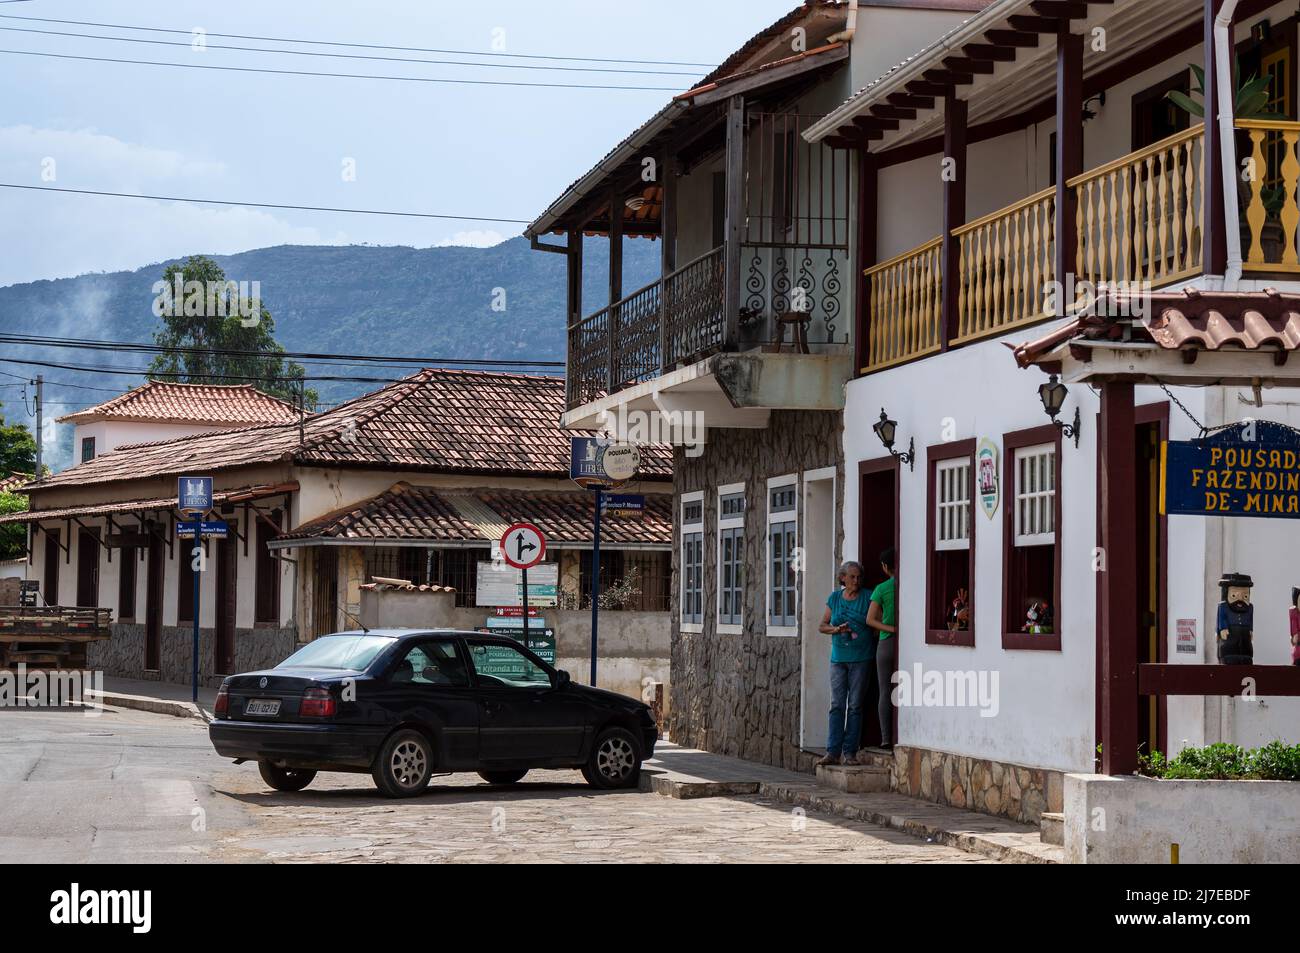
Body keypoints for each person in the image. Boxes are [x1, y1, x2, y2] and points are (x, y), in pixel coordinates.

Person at [815, 560, 874, 766]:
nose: (855, 581)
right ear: (842, 578)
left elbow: (876, 622)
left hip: (861, 659)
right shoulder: (834, 598)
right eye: (851, 577)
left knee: (855, 706)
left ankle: (850, 753)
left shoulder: (868, 597)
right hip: (838, 659)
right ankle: (832, 752)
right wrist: (836, 630)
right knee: (837, 705)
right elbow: (822, 626)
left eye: (858, 577)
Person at [866, 547, 898, 749]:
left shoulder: (882, 589)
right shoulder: (910, 585)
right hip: (907, 643)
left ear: (885, 567)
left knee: (885, 690)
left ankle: (886, 738)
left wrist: (890, 628)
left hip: (887, 642)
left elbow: (869, 620)